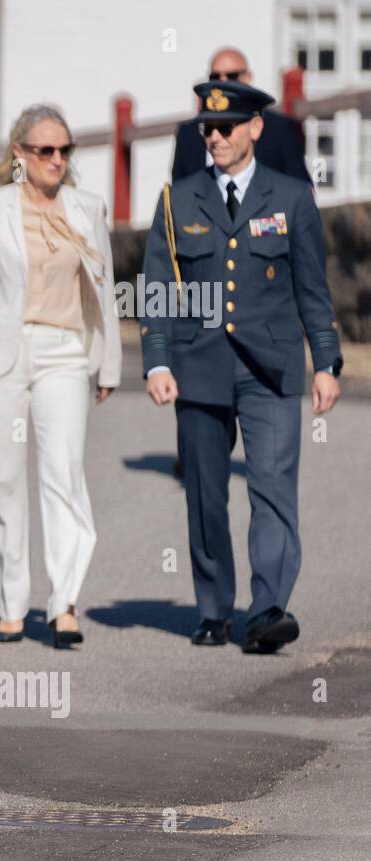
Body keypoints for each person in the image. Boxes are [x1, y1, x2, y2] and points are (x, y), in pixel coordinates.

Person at [141, 81, 342, 653]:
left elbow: (313, 287)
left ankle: (269, 607)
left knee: (273, 488)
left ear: (256, 128)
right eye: (208, 127)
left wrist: (325, 359)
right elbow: (157, 288)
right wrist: (156, 359)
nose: (216, 136)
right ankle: (212, 608)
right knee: (205, 494)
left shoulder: (292, 197)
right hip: (199, 366)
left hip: (271, 367)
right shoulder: (178, 199)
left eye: (227, 126)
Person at [0, 104, 121, 649]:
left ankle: (65, 603)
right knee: (3, 478)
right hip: (2, 352)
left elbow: (105, 290)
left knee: (64, 473)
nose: (56, 159)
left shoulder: (88, 208)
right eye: (44, 149)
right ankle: (11, 604)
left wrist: (108, 362)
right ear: (18, 154)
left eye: (65, 150)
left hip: (65, 350)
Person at [171, 47, 309, 184]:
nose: (223, 82)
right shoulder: (188, 133)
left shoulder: (280, 129)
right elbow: (178, 194)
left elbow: (299, 189)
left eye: (232, 76)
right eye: (215, 76)